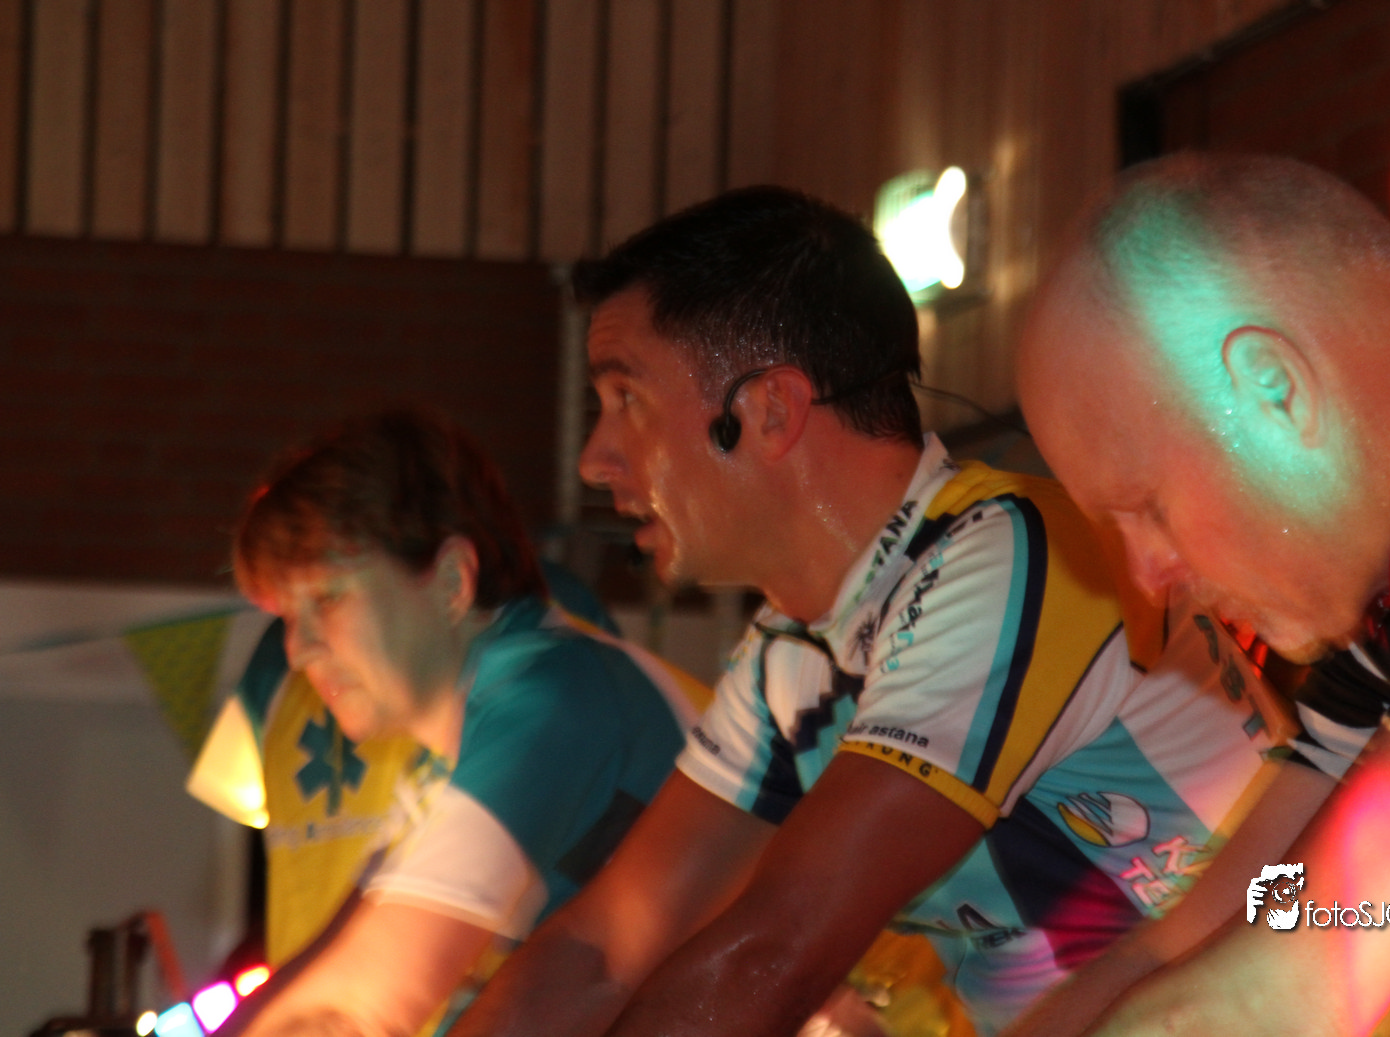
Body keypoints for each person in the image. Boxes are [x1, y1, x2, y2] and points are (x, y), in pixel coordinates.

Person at [447, 186, 1289, 1037]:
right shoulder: (791, 648)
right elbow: (601, 949)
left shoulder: (1007, 552)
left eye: (626, 400)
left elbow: (773, 949)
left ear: (767, 411)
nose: (594, 459)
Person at [1015, 150, 1390, 1036]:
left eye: (1147, 508)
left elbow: (1276, 991)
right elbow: (1218, 930)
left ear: (1273, 388)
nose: (1148, 574)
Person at [211, 408, 704, 1037]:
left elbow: (367, 1004)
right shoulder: (447, 755)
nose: (298, 649)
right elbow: (326, 969)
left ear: (451, 580)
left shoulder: (551, 695)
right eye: (286, 615)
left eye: (327, 597)